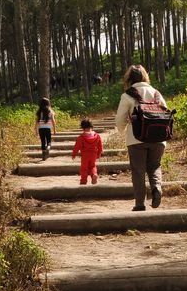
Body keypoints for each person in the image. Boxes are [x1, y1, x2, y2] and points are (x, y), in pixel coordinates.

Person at [114, 65, 166, 211]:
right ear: (145, 76)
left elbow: (120, 119)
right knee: (154, 165)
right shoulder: (156, 92)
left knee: (138, 171)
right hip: (158, 139)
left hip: (136, 139)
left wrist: (122, 129)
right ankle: (156, 189)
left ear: (129, 79)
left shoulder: (128, 95)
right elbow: (165, 112)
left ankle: (140, 204)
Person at [71, 118, 104, 185]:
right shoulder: (97, 136)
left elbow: (76, 147)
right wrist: (99, 153)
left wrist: (74, 154)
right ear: (91, 126)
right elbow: (100, 146)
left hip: (85, 155)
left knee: (84, 168)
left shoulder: (81, 137)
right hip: (93, 154)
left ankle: (83, 180)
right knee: (92, 166)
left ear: (82, 128)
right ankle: (94, 174)